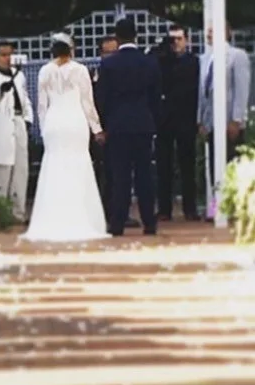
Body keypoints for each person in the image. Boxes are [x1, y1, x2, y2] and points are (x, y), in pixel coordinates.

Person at [22, 33, 108, 242]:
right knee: (78, 165)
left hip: (54, 122)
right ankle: (81, 217)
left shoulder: (45, 71)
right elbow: (88, 103)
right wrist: (96, 128)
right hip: (75, 121)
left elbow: (42, 106)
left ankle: (53, 217)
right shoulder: (80, 70)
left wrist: (44, 130)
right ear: (71, 49)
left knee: (54, 165)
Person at [96, 18, 162, 237]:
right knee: (145, 175)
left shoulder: (109, 65)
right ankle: (149, 222)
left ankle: (117, 223)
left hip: (118, 126)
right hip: (143, 124)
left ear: (117, 37)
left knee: (120, 176)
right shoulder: (149, 63)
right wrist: (152, 120)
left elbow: (102, 98)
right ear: (136, 36)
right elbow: (155, 97)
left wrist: (104, 124)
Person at [0, 41, 34, 223]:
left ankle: (18, 213)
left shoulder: (19, 75)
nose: (8, 58)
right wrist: (0, 91)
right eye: (3, 55)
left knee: (21, 170)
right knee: (0, 170)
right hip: (1, 124)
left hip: (18, 122)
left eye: (10, 54)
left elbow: (24, 98)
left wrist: (28, 119)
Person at [198, 22, 251, 190]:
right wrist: (201, 119)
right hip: (211, 122)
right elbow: (203, 91)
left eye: (212, 31)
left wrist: (236, 119)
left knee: (232, 168)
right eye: (208, 31)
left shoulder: (237, 56)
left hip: (229, 122)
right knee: (215, 169)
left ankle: (233, 203)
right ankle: (216, 203)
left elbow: (241, 89)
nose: (208, 34)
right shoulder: (205, 59)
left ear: (226, 33)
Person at [155, 25, 200, 221]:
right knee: (163, 165)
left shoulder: (194, 61)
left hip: (186, 118)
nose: (176, 43)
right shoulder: (161, 61)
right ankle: (164, 209)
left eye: (179, 39)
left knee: (187, 164)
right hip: (165, 119)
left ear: (186, 40)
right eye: (172, 39)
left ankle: (190, 208)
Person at [91, 36, 118, 221]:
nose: (111, 56)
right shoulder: (94, 75)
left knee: (118, 174)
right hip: (101, 130)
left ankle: (117, 211)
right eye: (107, 53)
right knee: (103, 173)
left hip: (119, 128)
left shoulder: (124, 74)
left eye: (114, 52)